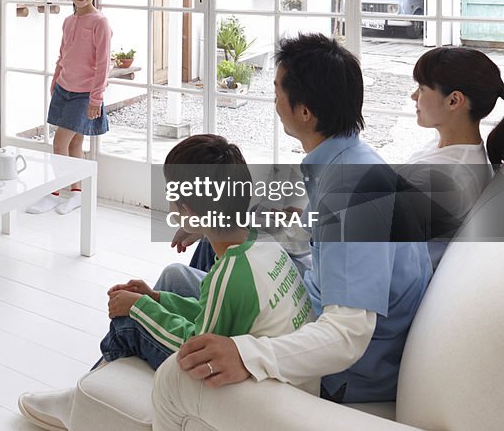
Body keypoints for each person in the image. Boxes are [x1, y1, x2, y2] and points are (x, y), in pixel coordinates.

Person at [153, 34, 433, 424]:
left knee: (170, 285)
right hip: (319, 308)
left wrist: (248, 355)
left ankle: (111, 381)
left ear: (305, 111)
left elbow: (347, 334)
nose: (273, 102)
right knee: (203, 257)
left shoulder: (352, 193)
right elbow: (309, 238)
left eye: (276, 91)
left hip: (340, 373)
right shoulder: (350, 161)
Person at [17, 135, 313, 430]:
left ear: (188, 212)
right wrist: (158, 299)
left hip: (254, 393)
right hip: (288, 378)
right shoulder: (260, 245)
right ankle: (86, 393)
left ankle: (81, 403)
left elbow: (196, 347)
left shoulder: (231, 275)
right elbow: (211, 313)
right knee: (150, 301)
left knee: (127, 325)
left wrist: (141, 308)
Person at [403, 46, 504, 269]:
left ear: (454, 100)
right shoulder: (461, 152)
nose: (413, 96)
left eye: (422, 89)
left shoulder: (442, 176)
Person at [27, 0, 112, 215]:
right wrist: (55, 81)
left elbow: (103, 63)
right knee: (74, 146)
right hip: (64, 89)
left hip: (84, 95)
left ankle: (54, 193)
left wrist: (96, 98)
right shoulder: (68, 21)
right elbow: (63, 55)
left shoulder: (101, 23)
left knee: (59, 143)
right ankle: (77, 193)